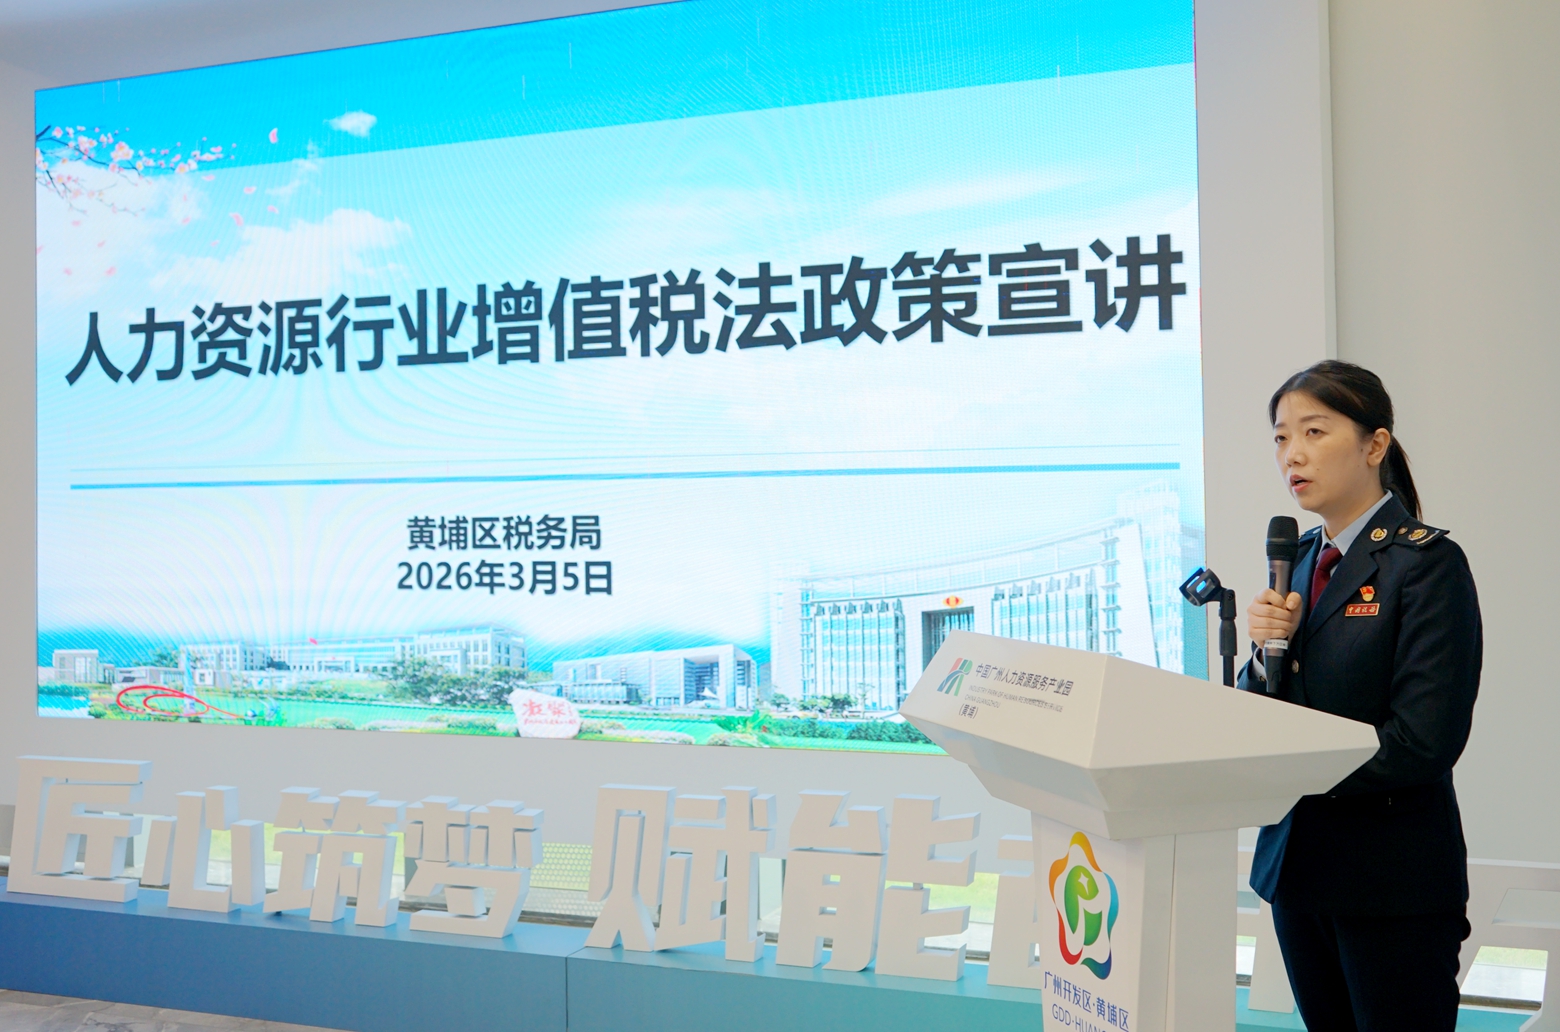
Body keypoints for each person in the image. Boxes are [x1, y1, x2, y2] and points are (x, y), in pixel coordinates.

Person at [1240, 360, 1482, 1032]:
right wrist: (1262, 654)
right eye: (1281, 438)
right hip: (1298, 873)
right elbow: (1258, 715)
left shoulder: (1425, 565)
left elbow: (1423, 741)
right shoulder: (1297, 560)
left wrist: (1290, 767)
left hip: (1390, 884)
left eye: (1314, 431)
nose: (1292, 454)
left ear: (1375, 445)